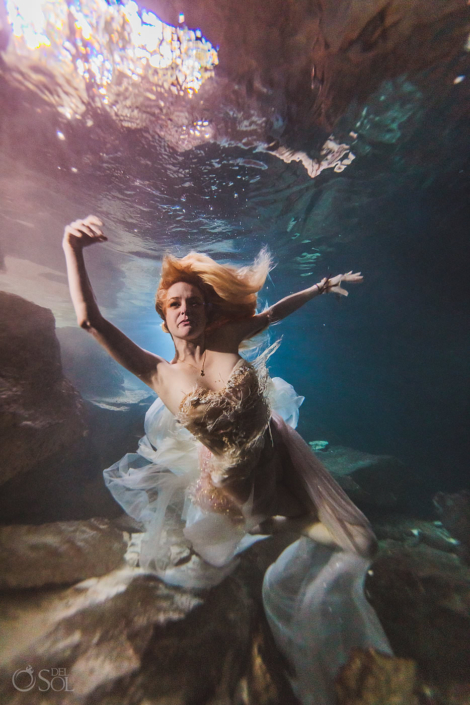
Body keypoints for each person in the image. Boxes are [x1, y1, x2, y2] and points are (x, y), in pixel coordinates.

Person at [63, 215, 391, 704]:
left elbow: (275, 313)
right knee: (323, 535)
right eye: (174, 304)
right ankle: (268, 531)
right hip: (236, 479)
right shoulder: (156, 373)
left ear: (206, 308)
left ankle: (279, 527)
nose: (184, 309)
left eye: (193, 302)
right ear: (163, 316)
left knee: (363, 542)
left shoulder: (224, 337)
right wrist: (71, 246)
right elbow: (89, 320)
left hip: (278, 445)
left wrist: (320, 287)